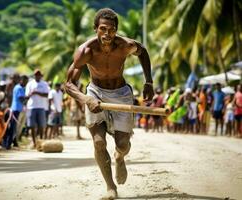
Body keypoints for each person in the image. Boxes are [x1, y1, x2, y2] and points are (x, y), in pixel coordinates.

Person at [65, 8, 154, 199]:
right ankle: (110, 187)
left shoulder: (125, 45)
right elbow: (69, 84)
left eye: (112, 29)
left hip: (121, 93)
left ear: (116, 30)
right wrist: (86, 98)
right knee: (98, 142)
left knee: (123, 144)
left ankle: (120, 157)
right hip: (95, 92)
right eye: (103, 29)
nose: (107, 34)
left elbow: (143, 52)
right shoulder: (85, 51)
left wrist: (149, 82)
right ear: (95, 29)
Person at [3, 75, 28, 149]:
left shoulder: (19, 87)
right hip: (15, 110)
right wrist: (28, 97)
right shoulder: (19, 88)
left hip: (17, 109)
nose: (25, 83)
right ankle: (7, 144)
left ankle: (9, 143)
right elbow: (21, 98)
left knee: (13, 128)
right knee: (12, 128)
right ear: (21, 80)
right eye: (25, 81)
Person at [25, 69, 49, 148]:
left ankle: (41, 141)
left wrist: (37, 92)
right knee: (32, 126)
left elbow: (46, 95)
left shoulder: (44, 84)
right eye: (36, 75)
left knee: (41, 126)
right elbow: (27, 95)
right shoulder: (30, 84)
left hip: (41, 107)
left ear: (40, 76)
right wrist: (31, 93)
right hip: (32, 106)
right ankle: (34, 142)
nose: (37, 76)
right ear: (34, 76)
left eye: (38, 75)